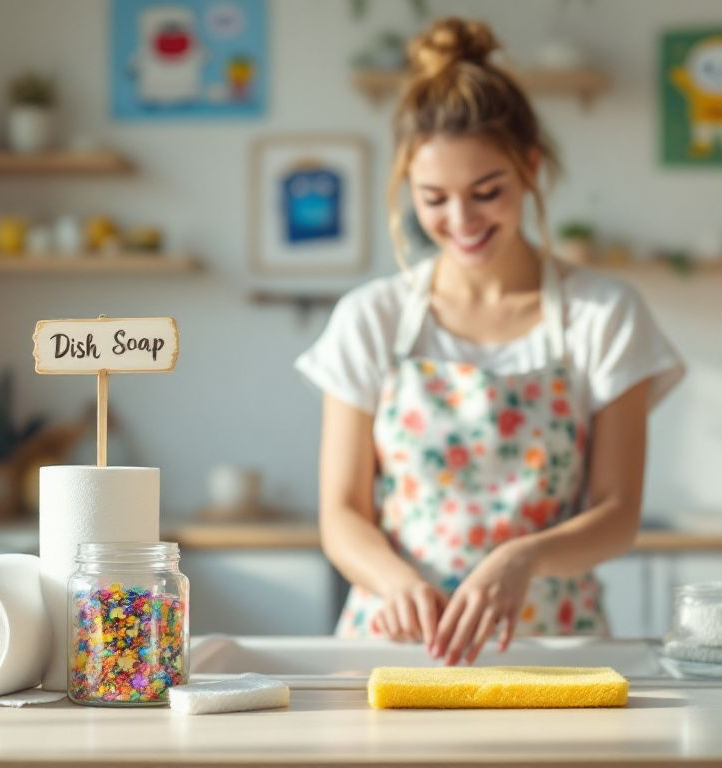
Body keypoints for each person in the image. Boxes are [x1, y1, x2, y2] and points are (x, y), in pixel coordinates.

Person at [295, 17, 683, 665]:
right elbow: (340, 514)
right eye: (434, 199)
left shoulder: (604, 315)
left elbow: (618, 513)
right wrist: (398, 582)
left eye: (486, 192)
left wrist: (520, 559)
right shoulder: (371, 318)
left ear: (529, 168)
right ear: (407, 190)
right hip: (396, 644)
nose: (462, 221)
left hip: (555, 644)